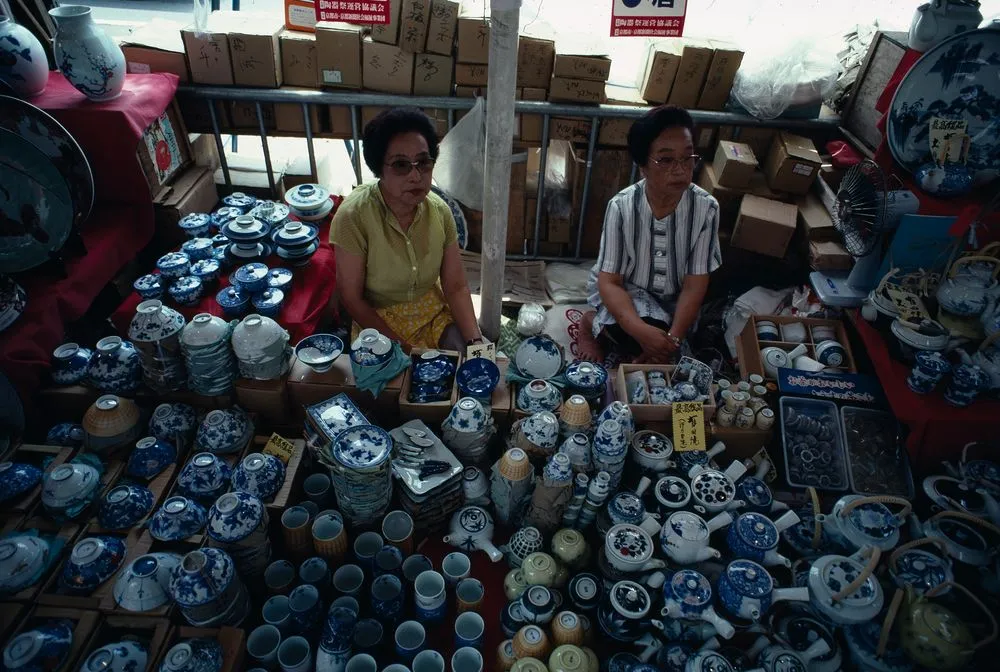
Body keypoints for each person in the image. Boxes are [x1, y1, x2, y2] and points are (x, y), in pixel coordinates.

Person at [576, 105, 722, 364]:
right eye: (665, 160)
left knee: (675, 348)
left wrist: (672, 340)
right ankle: (589, 323)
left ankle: (643, 340)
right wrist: (640, 332)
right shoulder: (621, 207)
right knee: (631, 335)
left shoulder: (706, 208)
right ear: (643, 167)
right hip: (628, 293)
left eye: (687, 157)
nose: (680, 170)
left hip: (674, 301)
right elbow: (610, 282)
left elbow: (694, 286)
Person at [331, 108, 483, 351]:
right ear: (379, 169)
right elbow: (352, 299)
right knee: (400, 372)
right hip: (377, 320)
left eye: (423, 163)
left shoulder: (441, 213)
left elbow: (455, 287)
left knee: (468, 359)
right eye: (401, 165)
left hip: (431, 313)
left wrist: (476, 343)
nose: (415, 176)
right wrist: (403, 350)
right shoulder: (353, 217)